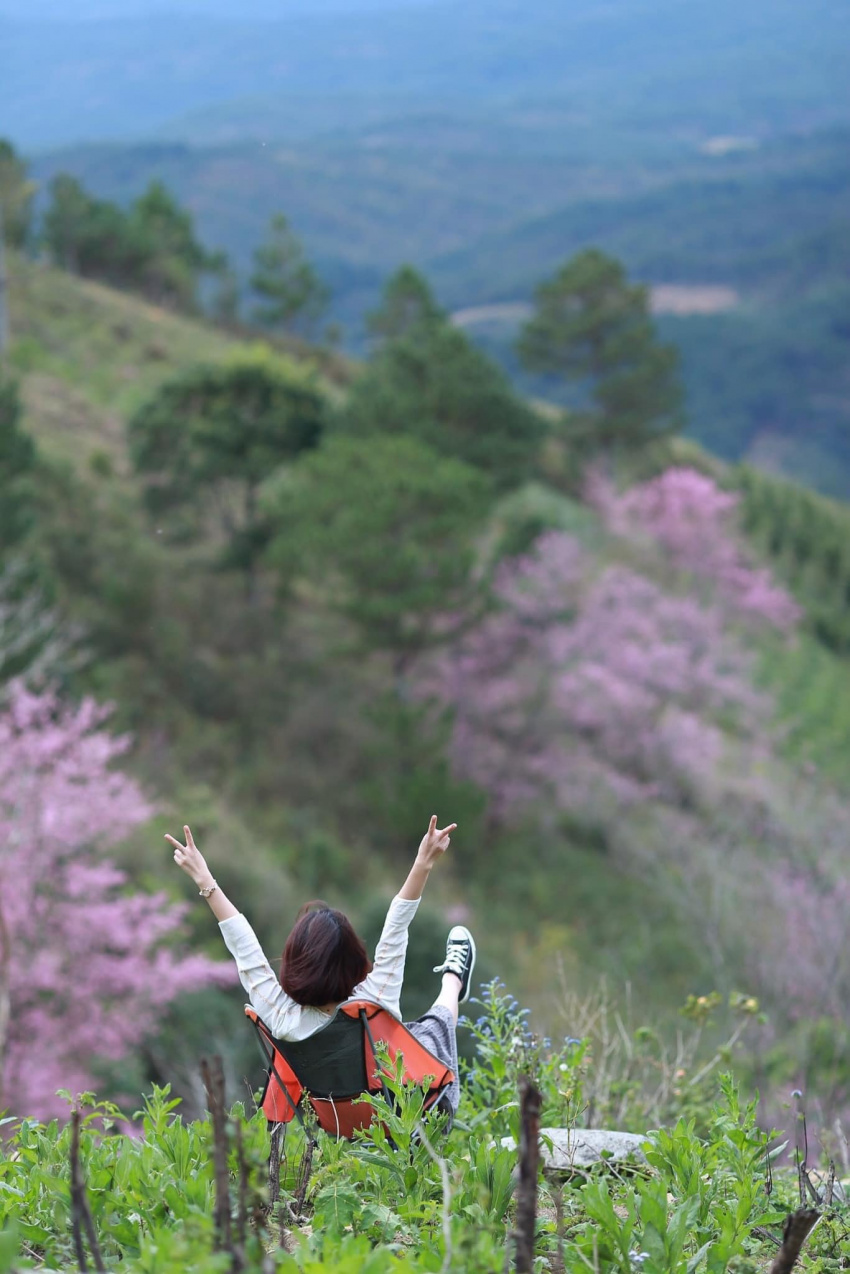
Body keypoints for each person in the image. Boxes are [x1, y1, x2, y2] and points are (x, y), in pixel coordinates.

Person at [166, 815, 476, 1119]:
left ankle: (451, 980)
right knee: (432, 1028)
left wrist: (205, 880)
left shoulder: (281, 1017)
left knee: (405, 1035)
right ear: (355, 960)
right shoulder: (374, 1001)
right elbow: (397, 925)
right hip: (413, 1117)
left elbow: (244, 947)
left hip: (338, 1124)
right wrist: (423, 863)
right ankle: (453, 979)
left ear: (293, 963)